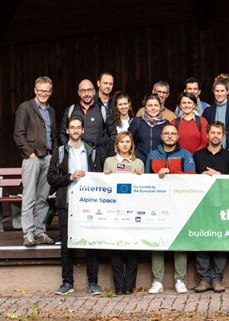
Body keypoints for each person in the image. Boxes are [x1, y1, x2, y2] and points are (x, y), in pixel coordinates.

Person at [47, 115, 102, 295]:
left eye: (79, 127)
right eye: (72, 127)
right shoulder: (60, 152)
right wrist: (69, 177)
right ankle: (67, 282)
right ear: (68, 130)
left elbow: (100, 176)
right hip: (67, 202)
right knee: (66, 244)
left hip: (89, 204)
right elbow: (51, 177)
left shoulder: (91, 151)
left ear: (83, 130)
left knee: (91, 243)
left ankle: (93, 283)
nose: (76, 130)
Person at [145, 124, 195, 294]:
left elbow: (192, 178)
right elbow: (146, 179)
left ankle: (180, 280)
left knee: (179, 241)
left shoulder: (185, 155)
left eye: (173, 133)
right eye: (166, 133)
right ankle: (157, 281)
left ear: (178, 136)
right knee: (157, 241)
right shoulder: (152, 154)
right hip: (157, 204)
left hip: (179, 204)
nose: (170, 136)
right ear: (161, 136)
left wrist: (170, 170)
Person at [193, 121, 229, 293]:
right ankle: (204, 279)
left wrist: (218, 175)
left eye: (218, 133)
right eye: (212, 132)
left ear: (223, 135)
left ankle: (217, 278)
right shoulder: (197, 156)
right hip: (202, 205)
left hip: (223, 205)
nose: (215, 136)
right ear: (207, 134)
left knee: (221, 241)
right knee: (202, 240)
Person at [13, 76, 57, 247]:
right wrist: (29, 153)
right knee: (29, 197)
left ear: (51, 91)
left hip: (47, 157)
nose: (44, 93)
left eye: (47, 91)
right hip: (32, 158)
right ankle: (28, 233)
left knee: (43, 198)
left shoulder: (51, 111)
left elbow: (52, 135)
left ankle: (40, 231)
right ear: (35, 90)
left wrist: (52, 155)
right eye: (41, 90)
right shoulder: (25, 108)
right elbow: (18, 134)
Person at [104, 131, 143, 294]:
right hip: (115, 210)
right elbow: (104, 186)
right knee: (116, 249)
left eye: (128, 141)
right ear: (116, 145)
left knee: (133, 248)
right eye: (122, 142)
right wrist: (106, 176)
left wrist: (140, 177)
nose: (125, 144)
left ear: (131, 144)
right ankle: (119, 286)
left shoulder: (138, 162)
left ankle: (129, 285)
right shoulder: (109, 161)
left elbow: (143, 187)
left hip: (133, 209)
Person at [58, 79, 117, 165]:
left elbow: (113, 134)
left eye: (89, 90)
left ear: (94, 92)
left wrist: (105, 151)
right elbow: (62, 133)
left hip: (98, 159)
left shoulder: (102, 110)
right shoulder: (71, 110)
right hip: (75, 156)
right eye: (83, 91)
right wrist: (69, 149)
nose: (86, 94)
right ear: (79, 93)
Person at [202, 74, 229, 152]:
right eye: (217, 91)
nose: (219, 94)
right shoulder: (208, 111)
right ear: (213, 91)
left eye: (222, 91)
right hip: (211, 152)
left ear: (227, 91)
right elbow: (205, 133)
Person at [128, 94, 168, 163]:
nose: (153, 108)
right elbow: (128, 141)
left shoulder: (166, 124)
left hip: (159, 163)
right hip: (139, 162)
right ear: (145, 107)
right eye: (150, 105)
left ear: (160, 107)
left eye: (156, 105)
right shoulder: (137, 122)